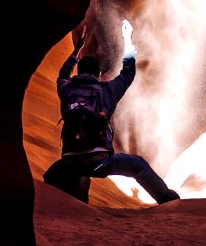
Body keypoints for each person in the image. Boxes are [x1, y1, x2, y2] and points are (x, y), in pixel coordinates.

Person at [43, 19, 180, 205]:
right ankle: (169, 201)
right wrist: (127, 41)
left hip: (69, 160)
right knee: (137, 166)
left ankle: (75, 204)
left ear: (78, 72)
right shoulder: (106, 90)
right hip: (98, 161)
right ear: (98, 74)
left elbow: (62, 74)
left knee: (56, 176)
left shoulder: (66, 89)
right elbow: (128, 73)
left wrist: (76, 51)